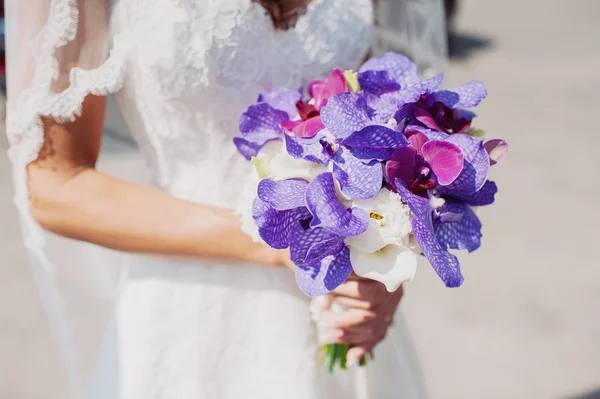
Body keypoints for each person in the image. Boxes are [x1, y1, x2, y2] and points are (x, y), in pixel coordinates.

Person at [5, 1, 446, 398]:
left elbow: (373, 132)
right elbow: (53, 184)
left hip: (336, 310)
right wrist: (281, 247)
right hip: (185, 320)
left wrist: (386, 266)